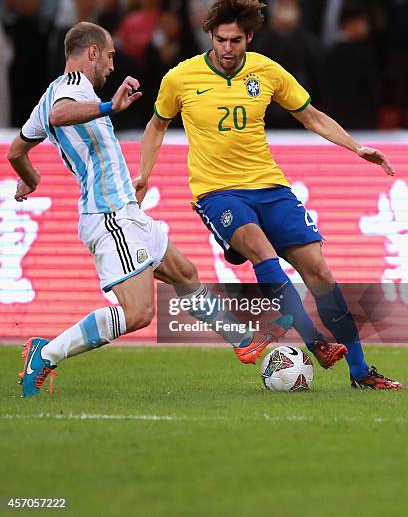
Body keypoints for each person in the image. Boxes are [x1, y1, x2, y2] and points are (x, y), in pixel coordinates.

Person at [136, 0, 404, 390]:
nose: (227, 48)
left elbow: (311, 116)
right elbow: (157, 126)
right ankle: (315, 342)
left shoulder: (266, 71)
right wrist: (143, 175)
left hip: (270, 186)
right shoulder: (180, 78)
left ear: (249, 38)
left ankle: (361, 372)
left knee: (321, 271)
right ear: (210, 36)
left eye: (236, 40)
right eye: (220, 40)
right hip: (218, 192)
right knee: (261, 250)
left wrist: (357, 146)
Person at [8, 21, 292, 398]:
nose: (111, 66)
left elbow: (16, 151)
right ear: (91, 53)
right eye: (108, 56)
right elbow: (61, 115)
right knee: (139, 312)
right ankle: (46, 353)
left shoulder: (47, 96)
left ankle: (243, 340)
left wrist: (31, 178)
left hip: (124, 209)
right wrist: (110, 105)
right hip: (108, 214)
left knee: (184, 271)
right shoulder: (73, 87)